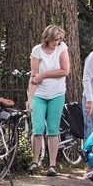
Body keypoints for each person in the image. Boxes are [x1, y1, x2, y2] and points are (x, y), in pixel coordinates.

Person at [27, 25, 71, 176]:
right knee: (37, 129)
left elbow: (65, 71)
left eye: (59, 39)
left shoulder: (61, 48)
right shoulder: (37, 50)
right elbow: (34, 75)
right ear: (47, 38)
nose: (57, 42)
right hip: (40, 94)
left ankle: (52, 165)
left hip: (57, 94)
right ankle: (35, 161)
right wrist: (30, 99)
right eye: (55, 39)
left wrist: (44, 75)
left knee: (53, 130)